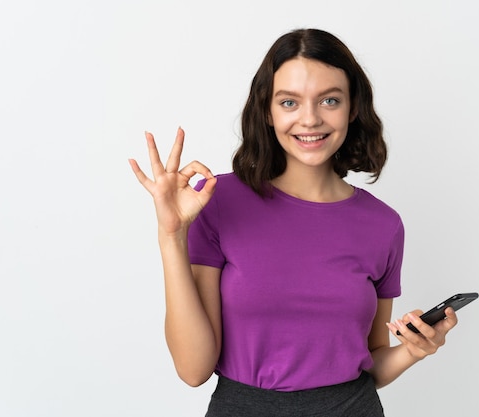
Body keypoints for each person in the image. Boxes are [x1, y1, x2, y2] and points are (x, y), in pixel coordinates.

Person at [129, 28, 458, 417]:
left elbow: (370, 363)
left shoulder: (383, 225)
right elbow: (193, 369)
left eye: (329, 100)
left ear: (353, 108)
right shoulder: (217, 203)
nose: (310, 119)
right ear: (267, 111)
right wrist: (172, 236)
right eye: (289, 102)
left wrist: (413, 351)